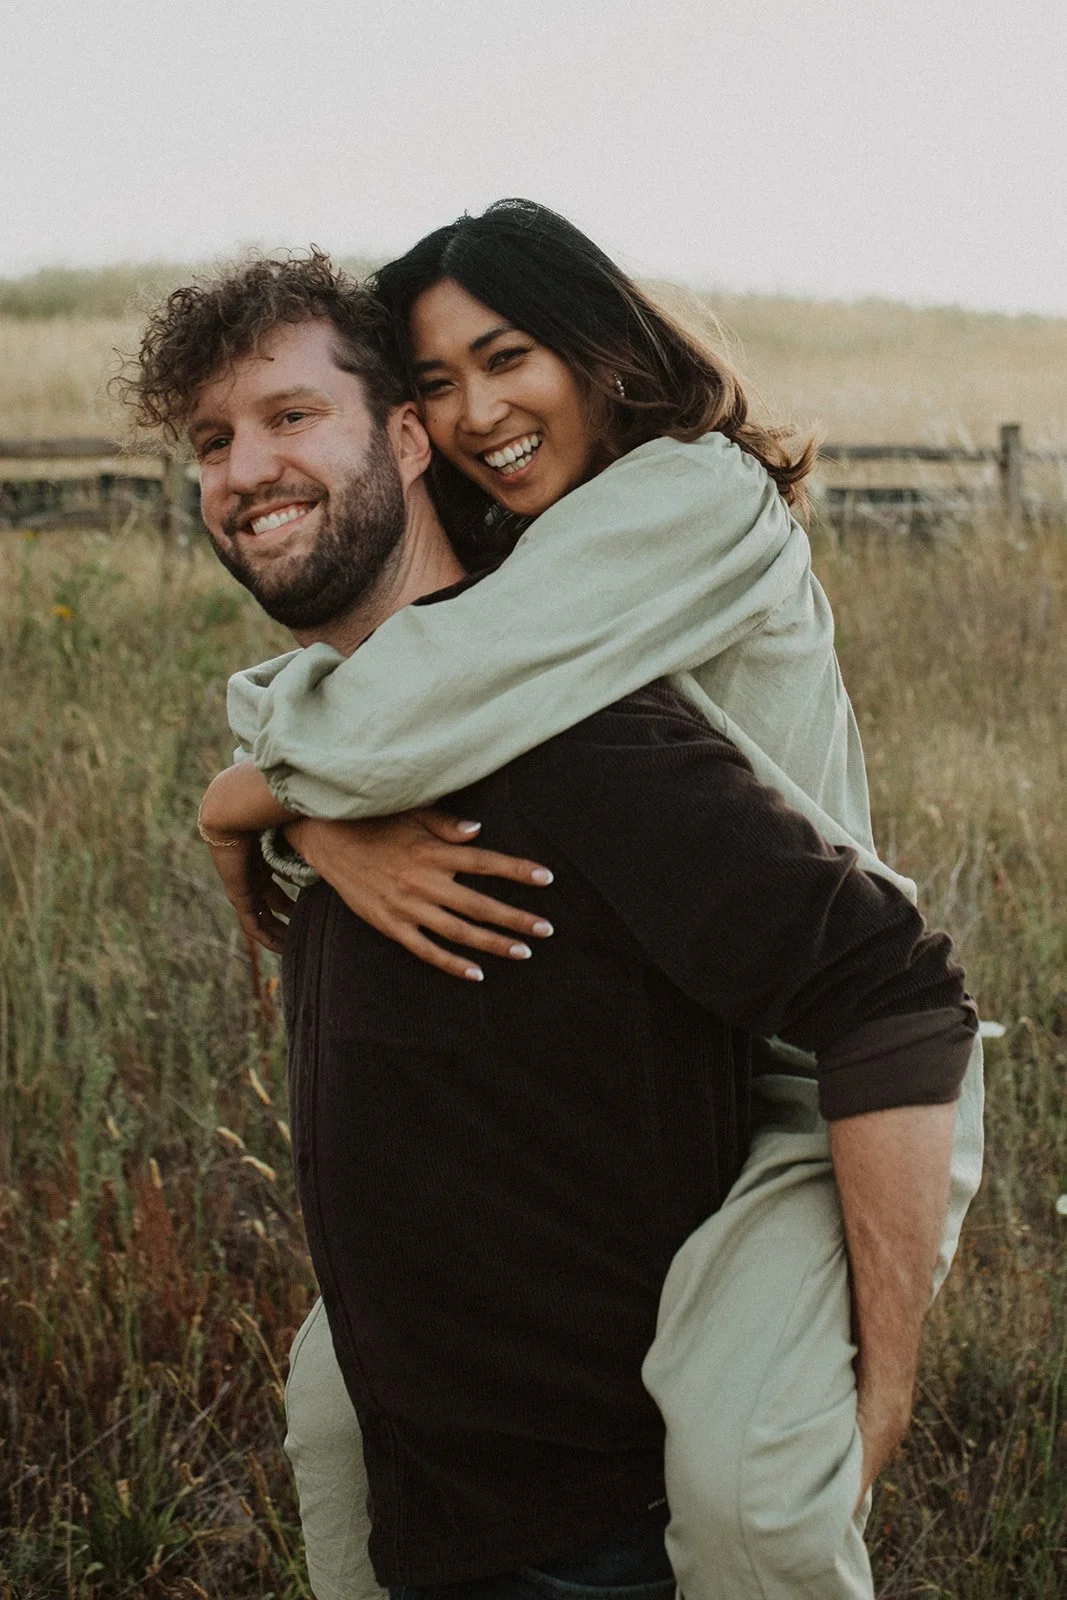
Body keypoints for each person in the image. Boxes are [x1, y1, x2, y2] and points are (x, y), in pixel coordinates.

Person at [122, 224, 984, 1600]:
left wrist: (259, 782)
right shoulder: (531, 579)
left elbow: (885, 992)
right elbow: (433, 681)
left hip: (828, 1071)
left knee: (744, 1487)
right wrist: (311, 811)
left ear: (600, 347)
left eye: (505, 358)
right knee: (330, 1391)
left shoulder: (690, 502)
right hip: (728, 1034)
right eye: (438, 380)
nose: (476, 413)